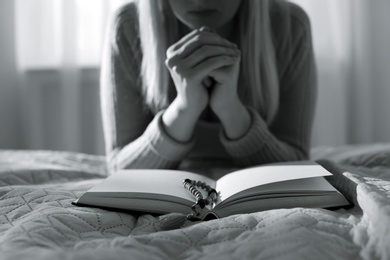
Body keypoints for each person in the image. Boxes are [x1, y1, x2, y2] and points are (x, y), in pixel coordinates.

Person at [100, 0, 317, 173]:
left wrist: (230, 110)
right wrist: (184, 108)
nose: (199, 0)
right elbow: (120, 167)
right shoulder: (129, 26)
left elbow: (298, 164)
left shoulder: (289, 26)